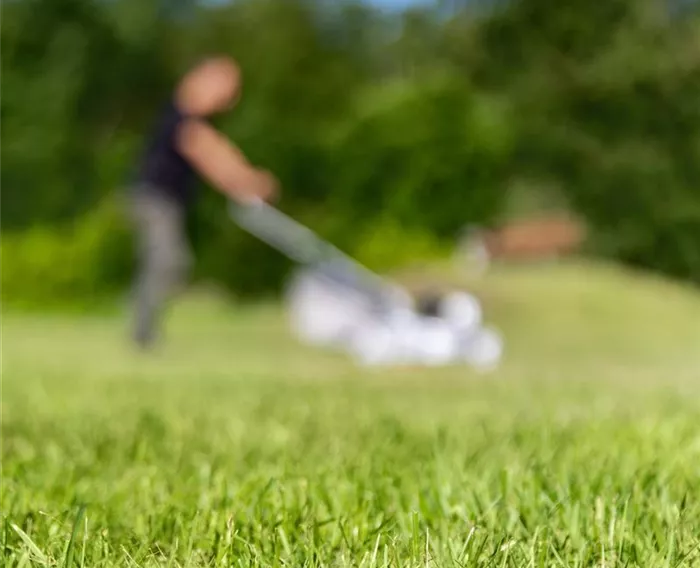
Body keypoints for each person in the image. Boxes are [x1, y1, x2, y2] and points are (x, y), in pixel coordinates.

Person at [128, 55, 278, 349]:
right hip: (154, 197)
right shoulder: (183, 117)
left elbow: (216, 147)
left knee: (167, 262)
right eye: (226, 89)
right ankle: (142, 334)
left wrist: (242, 179)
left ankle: (143, 331)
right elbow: (208, 151)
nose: (229, 100)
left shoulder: (191, 119)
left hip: (164, 200)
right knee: (167, 260)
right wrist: (246, 181)